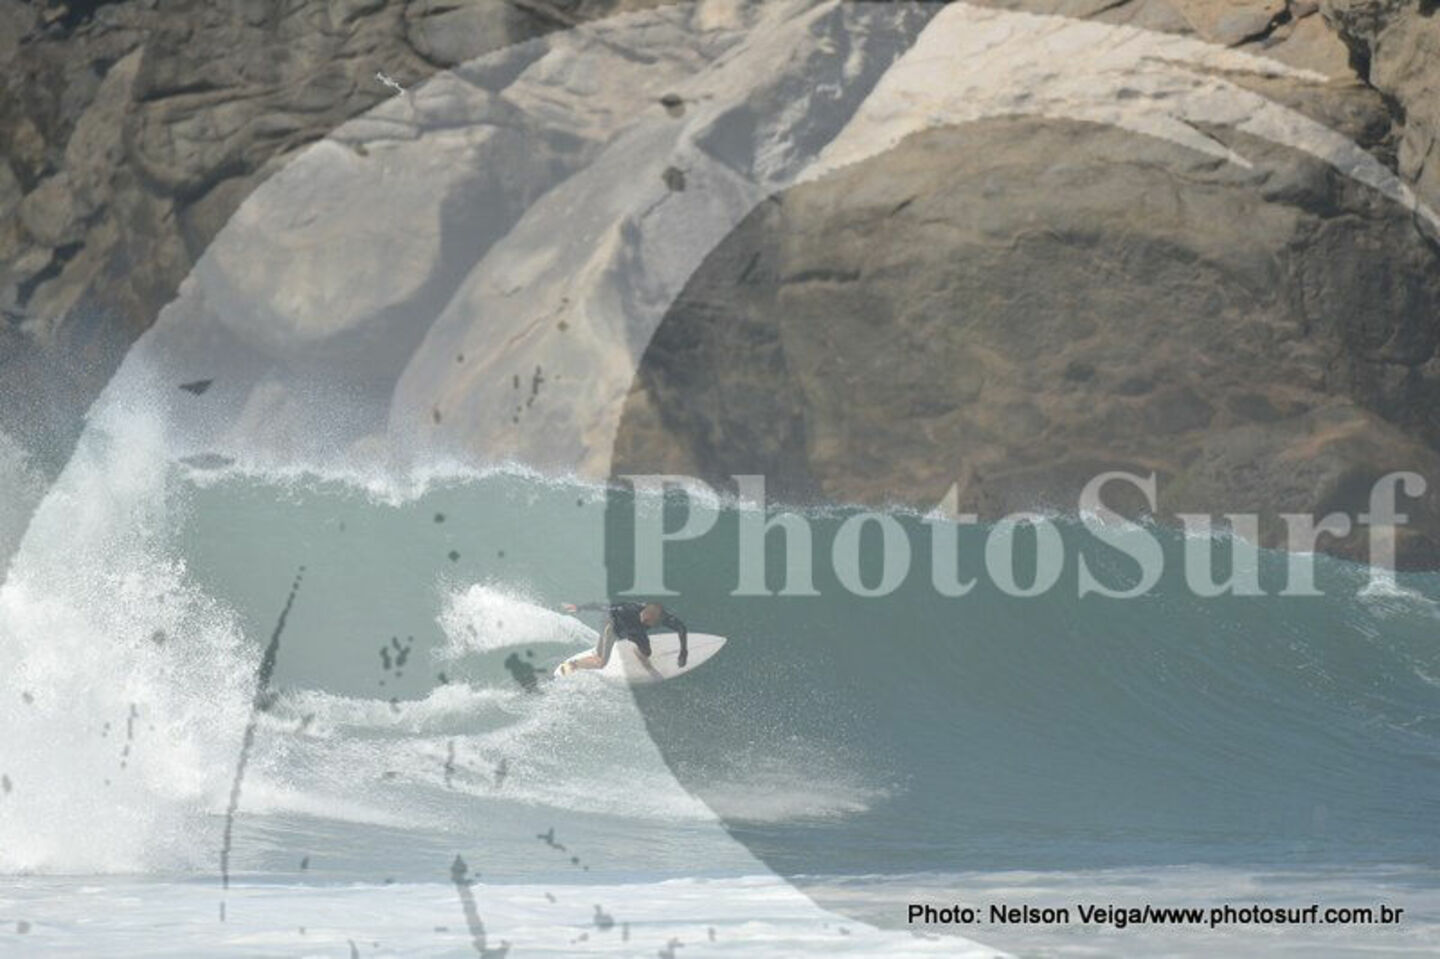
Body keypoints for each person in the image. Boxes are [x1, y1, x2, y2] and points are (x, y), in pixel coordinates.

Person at [558, 600, 688, 674]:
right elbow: (602, 606)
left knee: (647, 653)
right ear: (643, 610)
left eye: (648, 621)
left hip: (635, 632)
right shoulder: (627, 609)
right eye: (643, 617)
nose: (643, 619)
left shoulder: (664, 618)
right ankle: (572, 665)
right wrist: (580, 607)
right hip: (613, 629)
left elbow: (682, 628)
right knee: (600, 662)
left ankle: (635, 652)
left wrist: (683, 651)